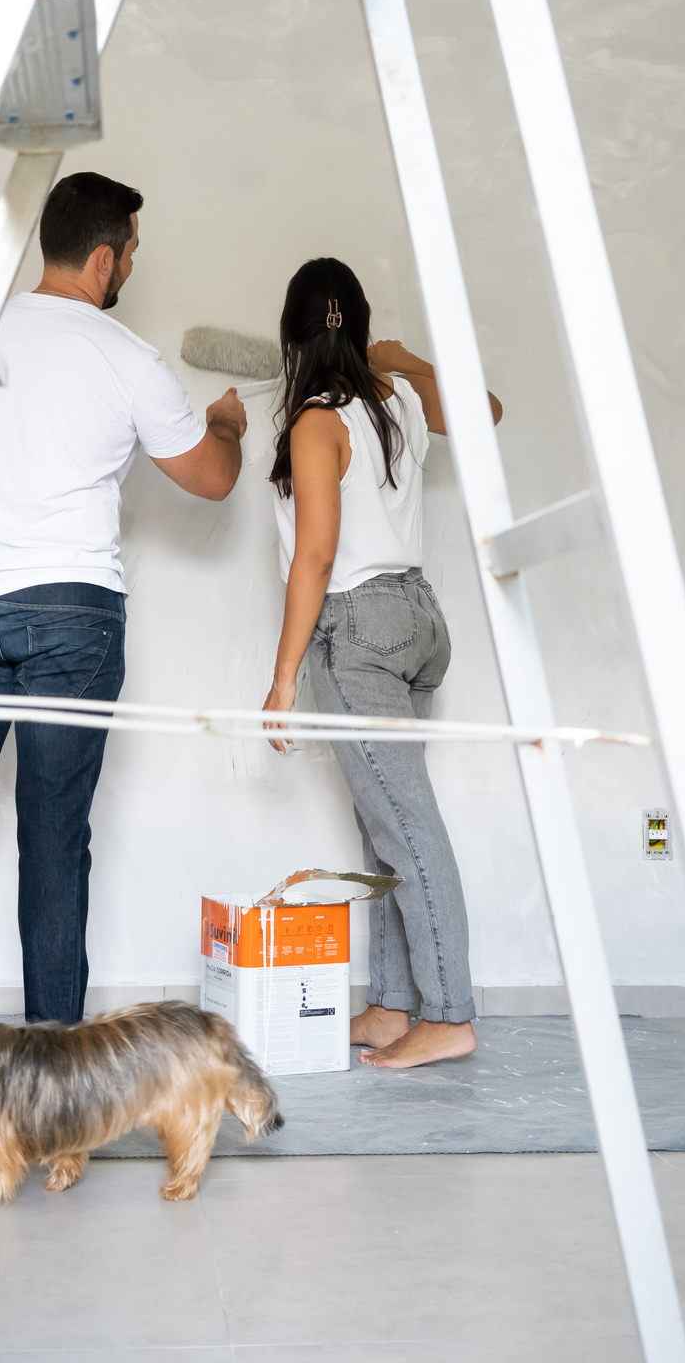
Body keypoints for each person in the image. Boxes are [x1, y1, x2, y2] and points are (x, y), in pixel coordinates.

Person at [0, 171, 247, 1031]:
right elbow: (214, 479)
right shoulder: (125, 357)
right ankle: (53, 1064)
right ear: (107, 255)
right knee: (53, 838)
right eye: (132, 255)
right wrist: (225, 419)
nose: (131, 272)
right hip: (73, 616)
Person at [261, 257, 501, 1070]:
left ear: (294, 336)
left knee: (405, 825)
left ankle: (448, 1014)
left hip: (358, 626)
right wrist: (404, 361)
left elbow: (318, 553)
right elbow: (487, 410)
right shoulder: (394, 401)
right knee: (385, 821)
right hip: (418, 618)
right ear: (360, 329)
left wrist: (285, 673)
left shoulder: (316, 423)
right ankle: (396, 1006)